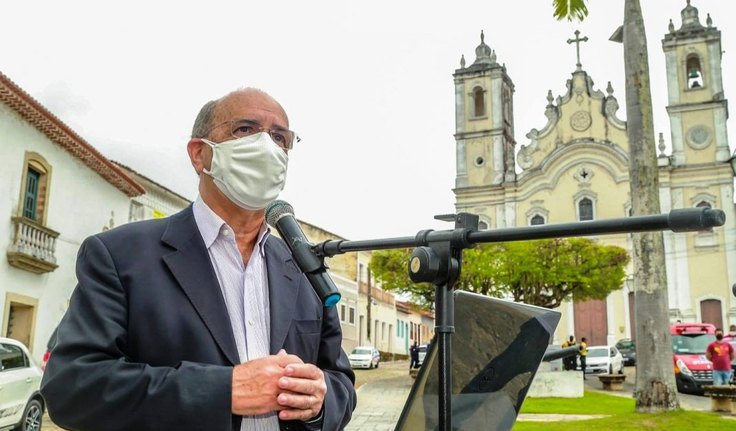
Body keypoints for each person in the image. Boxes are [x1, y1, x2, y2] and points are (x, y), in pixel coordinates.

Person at [40, 88, 357, 431]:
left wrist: (319, 402)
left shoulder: (304, 268)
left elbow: (339, 381)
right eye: (245, 130)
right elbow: (71, 388)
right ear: (199, 154)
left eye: (279, 136)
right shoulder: (119, 256)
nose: (267, 146)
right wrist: (223, 390)